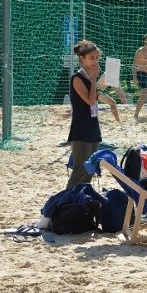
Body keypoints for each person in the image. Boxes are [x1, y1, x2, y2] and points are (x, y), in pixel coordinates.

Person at [65, 40, 104, 189]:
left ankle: (81, 203)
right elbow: (90, 100)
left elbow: (97, 98)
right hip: (81, 130)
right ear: (82, 59)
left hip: (93, 127)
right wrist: (94, 78)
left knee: (90, 170)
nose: (95, 61)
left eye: (96, 58)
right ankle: (65, 205)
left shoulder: (89, 79)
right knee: (79, 171)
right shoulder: (77, 78)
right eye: (91, 58)